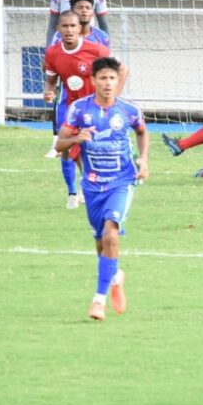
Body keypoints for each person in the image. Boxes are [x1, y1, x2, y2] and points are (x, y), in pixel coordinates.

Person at [55, 57, 149, 321]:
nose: (108, 83)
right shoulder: (79, 110)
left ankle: (98, 301)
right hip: (93, 185)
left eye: (112, 78)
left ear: (118, 81)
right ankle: (116, 277)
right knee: (101, 245)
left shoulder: (129, 110)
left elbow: (142, 132)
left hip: (122, 181)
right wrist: (76, 138)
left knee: (111, 235)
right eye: (103, 78)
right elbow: (60, 144)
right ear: (94, 80)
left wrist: (144, 160)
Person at [44, 11, 126, 209]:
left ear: (80, 29)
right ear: (58, 29)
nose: (69, 30)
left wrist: (114, 97)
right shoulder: (53, 53)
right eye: (65, 26)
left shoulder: (96, 50)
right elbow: (51, 81)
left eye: (73, 26)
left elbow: (122, 69)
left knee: (97, 148)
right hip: (71, 108)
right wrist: (49, 92)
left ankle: (110, 181)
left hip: (95, 106)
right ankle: (73, 192)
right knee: (63, 147)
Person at [44, 0, 111, 159]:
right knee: (66, 145)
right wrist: (49, 89)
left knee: (97, 144)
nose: (84, 11)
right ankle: (74, 181)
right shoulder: (57, 42)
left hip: (94, 95)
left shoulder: (100, 40)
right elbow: (50, 69)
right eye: (79, 7)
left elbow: (114, 69)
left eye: (88, 7)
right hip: (70, 93)